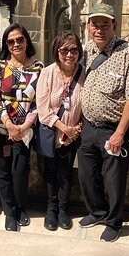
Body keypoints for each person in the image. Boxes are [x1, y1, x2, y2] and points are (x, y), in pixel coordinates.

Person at [77, 3, 129, 242]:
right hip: (88, 126)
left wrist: (119, 133)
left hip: (113, 129)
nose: (99, 29)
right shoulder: (86, 49)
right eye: (95, 24)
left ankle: (114, 222)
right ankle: (97, 211)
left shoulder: (128, 53)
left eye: (105, 24)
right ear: (88, 27)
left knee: (114, 180)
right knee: (87, 175)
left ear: (114, 26)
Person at [0, 23, 44, 232]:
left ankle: (21, 208)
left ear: (26, 41)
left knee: (20, 171)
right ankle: (9, 212)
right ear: (6, 44)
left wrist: (25, 125)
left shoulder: (38, 67)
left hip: (24, 131)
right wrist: (9, 124)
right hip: (2, 129)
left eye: (20, 40)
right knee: (3, 172)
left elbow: (39, 100)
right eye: (11, 41)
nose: (16, 44)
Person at [36, 31, 84, 231]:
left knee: (65, 173)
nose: (69, 54)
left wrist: (77, 126)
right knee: (50, 171)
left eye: (74, 50)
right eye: (64, 50)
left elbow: (86, 104)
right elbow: (42, 109)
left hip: (72, 135)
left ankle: (64, 209)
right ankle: (51, 208)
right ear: (57, 51)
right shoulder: (47, 73)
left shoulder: (83, 73)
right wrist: (64, 127)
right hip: (52, 133)